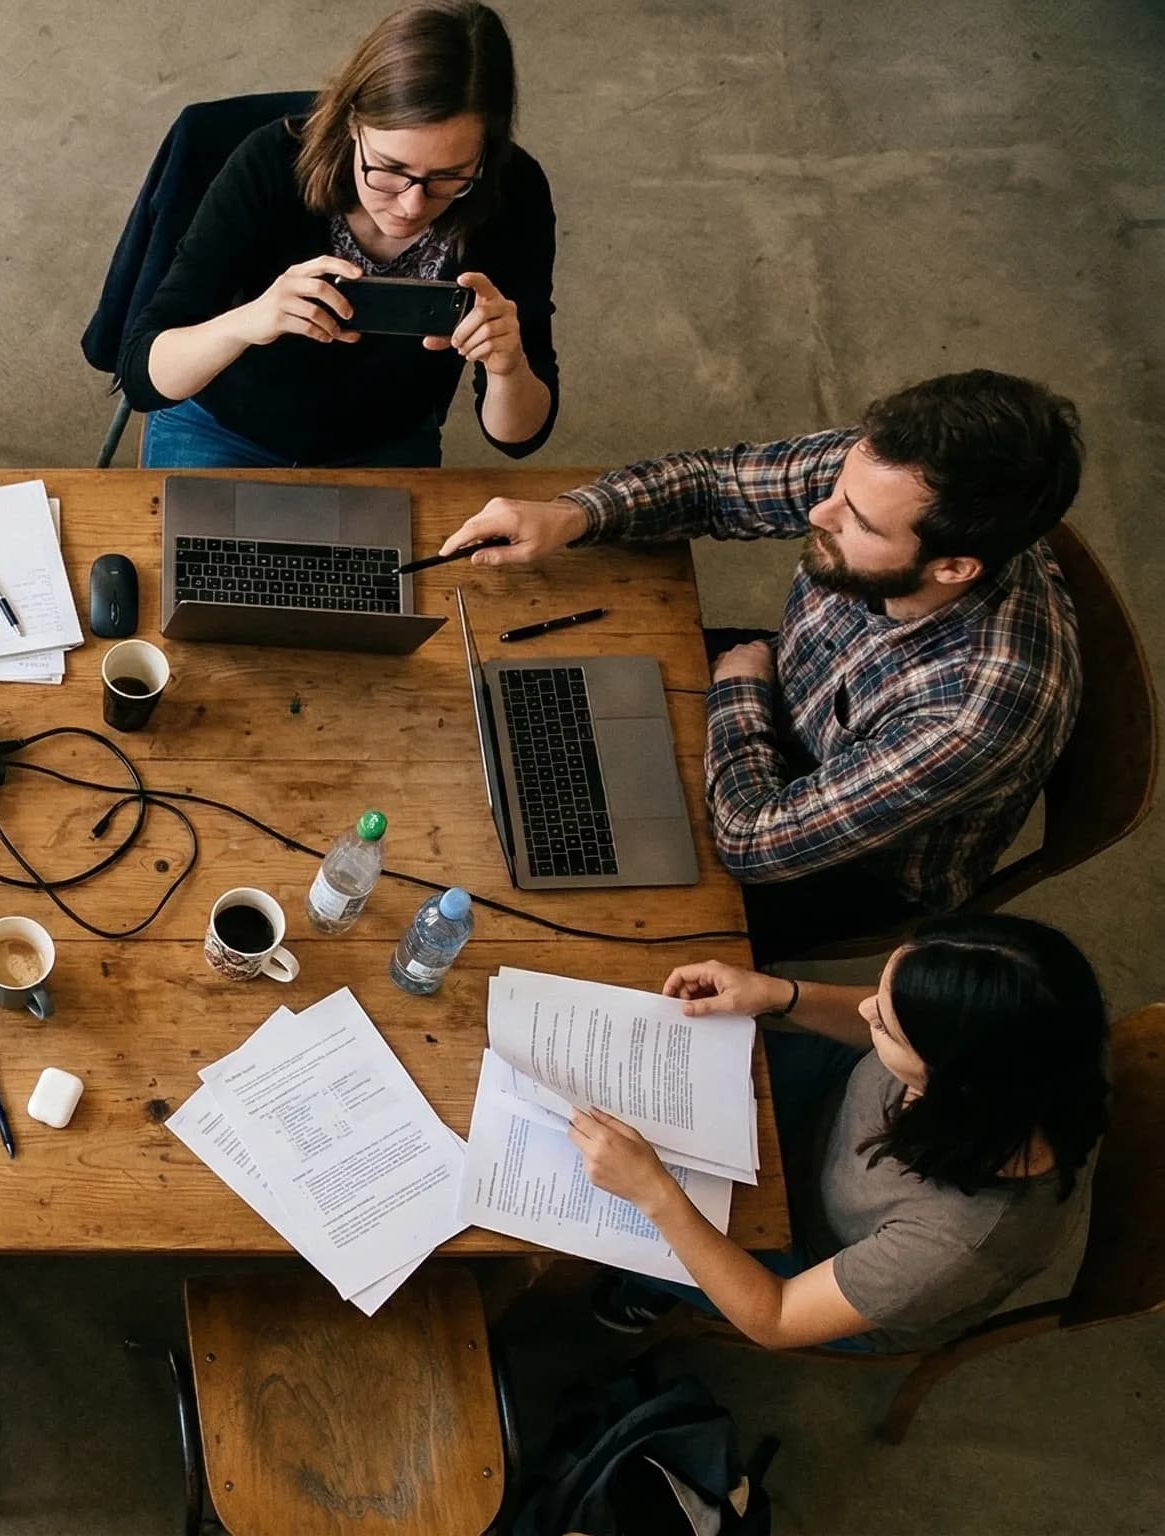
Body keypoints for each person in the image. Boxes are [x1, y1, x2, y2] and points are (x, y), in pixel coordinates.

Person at [436, 369, 1084, 958]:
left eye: (855, 521)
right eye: (838, 488)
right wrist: (569, 515)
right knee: (513, 709)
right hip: (784, 681)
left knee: (551, 909)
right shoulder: (891, 472)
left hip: (845, 861)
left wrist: (742, 687)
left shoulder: (977, 712)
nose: (818, 513)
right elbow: (716, 484)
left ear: (953, 568)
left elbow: (753, 842)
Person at [573, 914, 1109, 1354]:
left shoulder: (957, 1244)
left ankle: (646, 1289)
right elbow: (906, 1019)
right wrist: (780, 994)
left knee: (590, 1218)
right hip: (834, 1099)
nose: (863, 1009)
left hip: (817, 1257)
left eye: (885, 1025)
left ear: (949, 1083)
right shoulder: (1037, 1047)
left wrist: (657, 1194)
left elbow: (777, 1317)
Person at [117, 0, 557, 469]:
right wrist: (249, 320)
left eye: (450, 176)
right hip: (221, 425)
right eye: (389, 169)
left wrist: (508, 365)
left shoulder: (514, 193)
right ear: (351, 122)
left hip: (385, 441)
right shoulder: (271, 164)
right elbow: (143, 375)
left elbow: (519, 439)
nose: (411, 206)